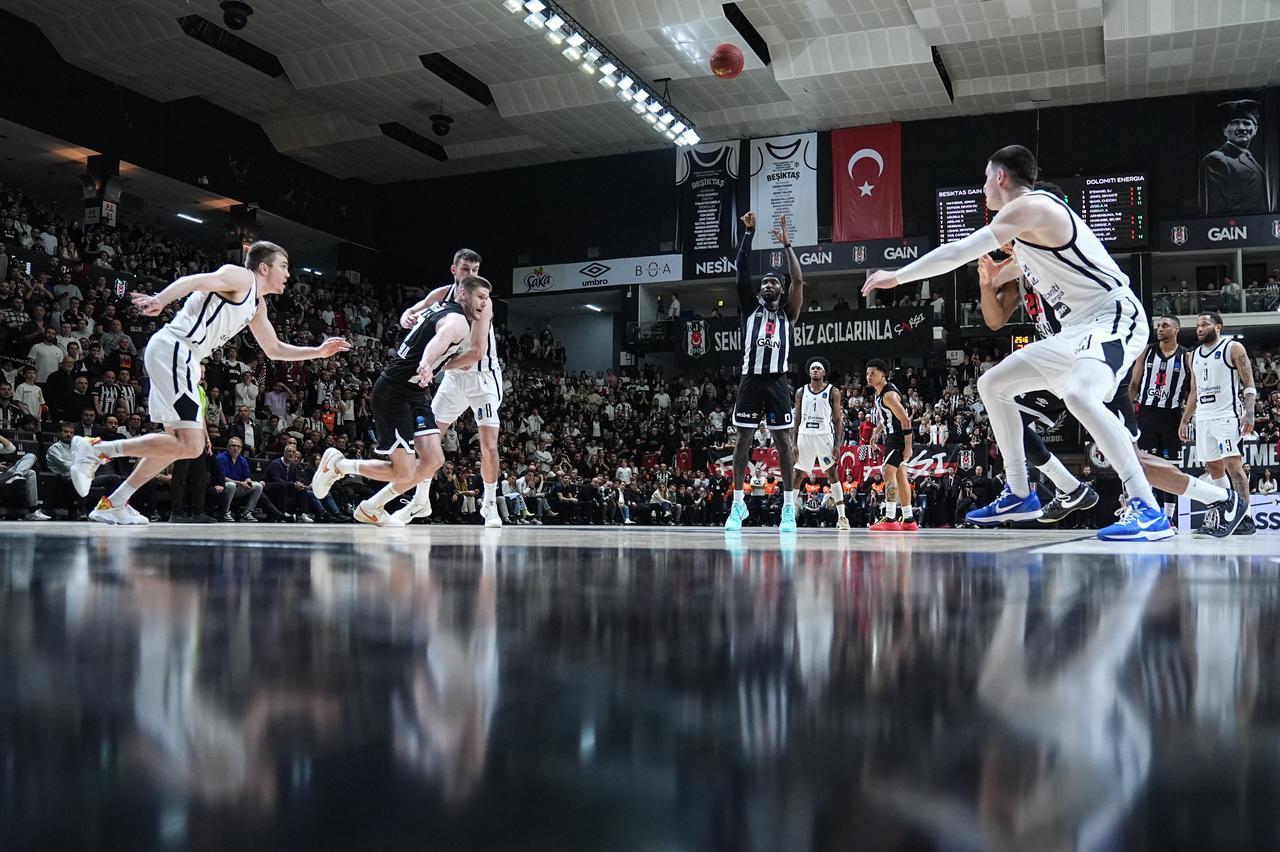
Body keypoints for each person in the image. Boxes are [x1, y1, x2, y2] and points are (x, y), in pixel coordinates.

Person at [862, 144, 1169, 541]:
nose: (984, 187)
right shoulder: (1026, 238)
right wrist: (991, 277)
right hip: (1075, 332)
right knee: (992, 384)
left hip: (1112, 315)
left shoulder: (1030, 205)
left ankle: (1147, 507)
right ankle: (1020, 491)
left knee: (1079, 395)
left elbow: (957, 251)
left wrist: (897, 276)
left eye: (986, 178)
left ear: (1001, 176)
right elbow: (998, 297)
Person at [65, 241, 351, 525]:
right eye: (284, 266)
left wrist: (318, 351)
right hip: (177, 348)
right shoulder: (241, 277)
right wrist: (161, 300)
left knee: (178, 445)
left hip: (183, 357)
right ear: (264, 267)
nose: (289, 274)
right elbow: (193, 280)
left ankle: (113, 503)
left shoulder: (257, 303)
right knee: (190, 445)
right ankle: (95, 449)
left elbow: (274, 348)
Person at [310, 275, 492, 526]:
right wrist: (427, 363)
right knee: (402, 470)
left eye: (487, 298)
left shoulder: (441, 308)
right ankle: (340, 465)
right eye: (480, 297)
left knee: (433, 460)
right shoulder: (458, 321)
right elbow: (439, 340)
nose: (484, 303)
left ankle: (370, 508)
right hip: (394, 393)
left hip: (414, 393)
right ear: (463, 294)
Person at [968, 240, 1099, 525]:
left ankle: (1039, 490)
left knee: (1126, 446)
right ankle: (1070, 488)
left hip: (1081, 350)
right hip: (1054, 358)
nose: (998, 240)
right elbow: (994, 320)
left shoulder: (1047, 251)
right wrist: (986, 283)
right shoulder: (1018, 269)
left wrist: (1005, 267)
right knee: (1007, 419)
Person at [396, 250, 504, 528]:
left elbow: (477, 352)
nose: (472, 275)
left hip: (482, 379)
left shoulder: (483, 302)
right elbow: (415, 310)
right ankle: (421, 500)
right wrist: (407, 315)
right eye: (466, 269)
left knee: (489, 446)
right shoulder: (441, 294)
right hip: (454, 379)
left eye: (476, 269)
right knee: (428, 440)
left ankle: (490, 506)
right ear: (454, 271)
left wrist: (436, 366)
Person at [724, 211, 805, 532]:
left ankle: (788, 508)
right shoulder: (749, 310)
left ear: (781, 290)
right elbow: (740, 272)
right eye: (765, 282)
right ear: (760, 290)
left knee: (784, 442)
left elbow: (798, 279)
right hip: (750, 380)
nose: (768, 284)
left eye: (775, 281)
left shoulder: (789, 313)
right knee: (742, 439)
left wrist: (787, 246)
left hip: (778, 382)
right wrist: (749, 234)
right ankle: (738, 505)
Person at [1180, 312, 1258, 535]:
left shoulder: (1233, 348)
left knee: (1234, 465)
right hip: (1203, 417)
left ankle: (1246, 518)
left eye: (1205, 324)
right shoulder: (1192, 355)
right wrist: (1185, 419)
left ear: (1218, 327)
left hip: (1227, 415)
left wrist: (1249, 412)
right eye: (1197, 325)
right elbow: (1194, 391)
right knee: (1213, 467)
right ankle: (1226, 511)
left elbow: (1249, 382)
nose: (1200, 328)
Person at [791, 358, 849, 530]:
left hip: (824, 435)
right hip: (804, 435)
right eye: (812, 368)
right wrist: (793, 443)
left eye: (818, 368)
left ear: (824, 373)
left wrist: (837, 445)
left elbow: (838, 420)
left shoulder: (833, 391)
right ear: (809, 372)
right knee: (798, 474)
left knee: (832, 473)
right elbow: (797, 417)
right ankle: (788, 514)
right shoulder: (801, 392)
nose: (815, 370)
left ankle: (842, 517)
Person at [866, 359, 917, 531]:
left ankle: (889, 517)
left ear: (883, 374)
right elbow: (888, 416)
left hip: (898, 437)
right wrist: (877, 431)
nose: (869, 377)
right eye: (867, 373)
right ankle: (909, 519)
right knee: (901, 476)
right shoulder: (879, 392)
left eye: (872, 373)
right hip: (893, 434)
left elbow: (905, 419)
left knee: (888, 473)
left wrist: (908, 446)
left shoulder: (889, 395)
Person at [1200, 99, 1268, 216]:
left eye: (1246, 123)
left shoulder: (1250, 159)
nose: (1241, 128)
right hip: (1236, 229)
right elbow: (1217, 206)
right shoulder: (1216, 160)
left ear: (1255, 129)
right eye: (1235, 122)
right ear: (1225, 130)